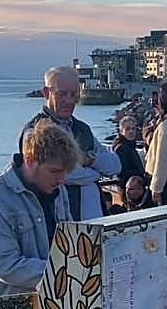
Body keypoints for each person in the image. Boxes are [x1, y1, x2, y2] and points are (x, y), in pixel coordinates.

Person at [0, 120, 77, 309]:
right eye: (55, 171)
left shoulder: (58, 189)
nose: (62, 179)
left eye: (65, 172)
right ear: (30, 161)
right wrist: (69, 272)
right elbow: (7, 266)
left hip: (53, 302)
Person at [20, 65, 120, 221]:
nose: (69, 100)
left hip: (95, 223)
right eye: (62, 94)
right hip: (60, 224)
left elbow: (115, 165)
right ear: (46, 93)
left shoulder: (82, 129)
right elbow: (66, 175)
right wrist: (96, 173)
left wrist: (88, 160)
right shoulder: (35, 131)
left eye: (73, 94)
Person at [111, 116, 146, 185]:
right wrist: (141, 173)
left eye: (133, 129)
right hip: (128, 187)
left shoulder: (130, 146)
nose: (131, 131)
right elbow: (122, 171)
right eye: (127, 129)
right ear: (121, 131)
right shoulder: (121, 148)